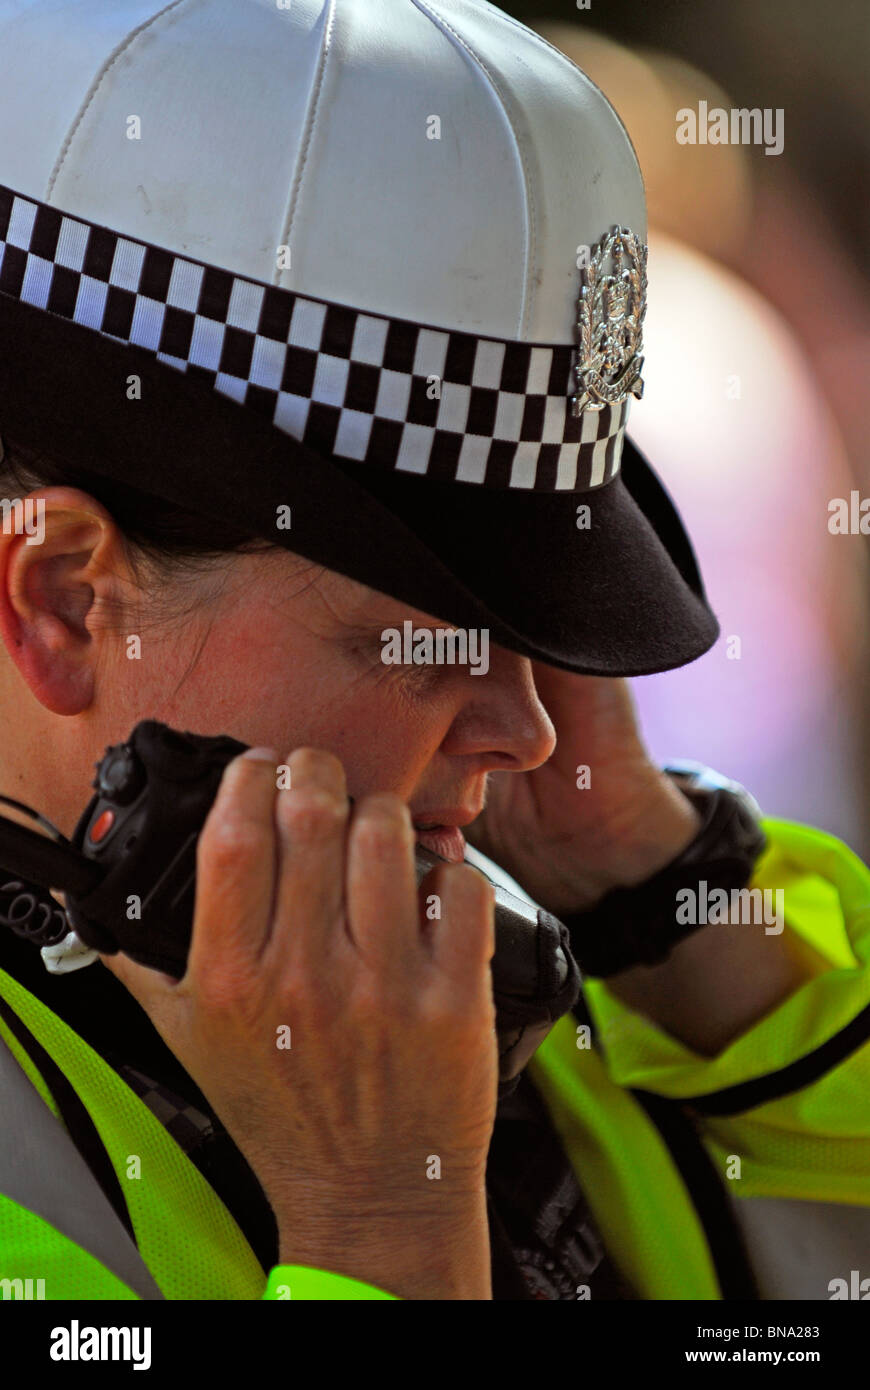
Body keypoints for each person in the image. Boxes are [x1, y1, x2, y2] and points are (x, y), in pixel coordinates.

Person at [0, 0, 868, 1302]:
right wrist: (374, 1226)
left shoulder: (515, 933)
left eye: (531, 633)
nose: (531, 731)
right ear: (66, 600)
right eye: (425, 639)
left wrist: (653, 891)